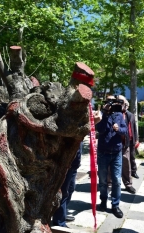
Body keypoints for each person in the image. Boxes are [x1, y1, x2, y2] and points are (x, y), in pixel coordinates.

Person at [52, 62, 102, 228]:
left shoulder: (85, 101)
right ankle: (58, 220)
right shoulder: (68, 99)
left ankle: (63, 213)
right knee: (64, 186)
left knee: (71, 186)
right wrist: (90, 122)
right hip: (65, 151)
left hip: (76, 151)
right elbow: (66, 126)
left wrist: (92, 120)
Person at [96, 95, 127, 218]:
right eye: (108, 102)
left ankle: (115, 205)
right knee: (103, 180)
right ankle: (103, 201)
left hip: (116, 153)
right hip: (103, 152)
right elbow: (100, 129)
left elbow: (125, 131)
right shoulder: (102, 115)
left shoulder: (119, 115)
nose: (110, 105)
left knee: (116, 180)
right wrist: (105, 113)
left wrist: (118, 129)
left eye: (112, 103)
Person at [123, 99, 140, 179]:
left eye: (127, 105)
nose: (125, 106)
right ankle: (125, 173)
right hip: (124, 140)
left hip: (131, 139)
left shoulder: (131, 115)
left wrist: (136, 138)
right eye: (124, 105)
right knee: (125, 158)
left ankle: (134, 171)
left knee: (132, 157)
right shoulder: (120, 115)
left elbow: (134, 128)